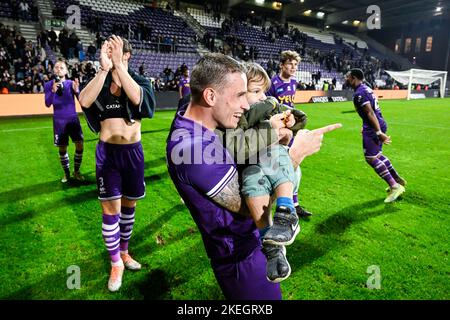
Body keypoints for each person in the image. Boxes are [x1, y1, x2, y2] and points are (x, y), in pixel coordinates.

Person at [166, 53, 341, 299]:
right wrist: (295, 156)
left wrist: (269, 129)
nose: (246, 105)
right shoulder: (193, 150)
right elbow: (246, 207)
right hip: (240, 256)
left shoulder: (193, 113)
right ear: (210, 96)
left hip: (244, 246)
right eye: (239, 95)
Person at [78, 36, 156, 292]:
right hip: (108, 155)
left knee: (129, 207)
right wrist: (103, 69)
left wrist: (119, 66)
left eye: (115, 51)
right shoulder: (102, 81)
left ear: (127, 55)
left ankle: (124, 252)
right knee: (110, 211)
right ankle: (115, 263)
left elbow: (139, 100)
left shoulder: (139, 80)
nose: (110, 55)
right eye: (108, 51)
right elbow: (85, 101)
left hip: (132, 154)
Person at [346, 68, 406, 203]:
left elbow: (370, 113)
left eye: (348, 77)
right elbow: (369, 113)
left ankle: (394, 186)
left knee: (371, 158)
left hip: (374, 127)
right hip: (377, 123)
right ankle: (395, 178)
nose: (347, 79)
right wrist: (366, 125)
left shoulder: (360, 94)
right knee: (377, 155)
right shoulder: (366, 88)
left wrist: (378, 133)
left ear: (354, 78)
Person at [266, 50, 312, 218]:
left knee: (294, 165)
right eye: (290, 64)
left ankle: (293, 203)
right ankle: (271, 204)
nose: (293, 68)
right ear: (281, 65)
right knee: (278, 166)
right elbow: (268, 107)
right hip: (277, 130)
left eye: (295, 65)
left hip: (290, 129)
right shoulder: (272, 83)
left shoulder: (293, 82)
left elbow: (290, 105)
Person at [44, 58, 84, 183]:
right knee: (62, 148)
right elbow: (47, 103)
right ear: (53, 70)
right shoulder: (48, 85)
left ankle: (76, 171)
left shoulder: (71, 83)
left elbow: (81, 100)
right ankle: (66, 174)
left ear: (66, 71)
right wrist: (52, 91)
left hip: (73, 119)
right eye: (56, 67)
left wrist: (77, 90)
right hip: (59, 121)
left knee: (80, 145)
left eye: (61, 67)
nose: (58, 69)